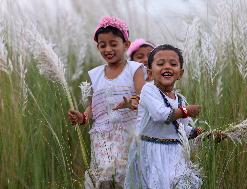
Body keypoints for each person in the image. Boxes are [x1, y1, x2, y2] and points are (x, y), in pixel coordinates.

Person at [68, 16, 145, 189]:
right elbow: (94, 106)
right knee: (104, 176)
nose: (108, 49)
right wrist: (83, 117)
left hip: (128, 132)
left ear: (126, 44)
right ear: (98, 47)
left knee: (125, 177)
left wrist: (132, 101)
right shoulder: (96, 74)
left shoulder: (134, 69)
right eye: (102, 45)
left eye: (113, 44)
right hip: (102, 136)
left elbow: (143, 96)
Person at [124, 44, 203, 189]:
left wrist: (197, 133)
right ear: (150, 72)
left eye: (173, 64)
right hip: (151, 151)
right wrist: (185, 111)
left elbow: (181, 129)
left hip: (175, 152)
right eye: (160, 64)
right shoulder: (148, 91)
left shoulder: (180, 100)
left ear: (180, 73)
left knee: (181, 184)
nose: (167, 67)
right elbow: (161, 115)